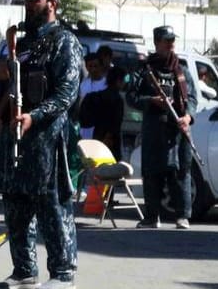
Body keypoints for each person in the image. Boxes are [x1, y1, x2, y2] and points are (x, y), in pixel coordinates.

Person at [0, 0, 83, 289]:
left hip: (47, 136)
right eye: (26, 2)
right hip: (17, 134)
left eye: (35, 1)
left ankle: (63, 271)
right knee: (15, 203)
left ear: (52, 3)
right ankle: (25, 271)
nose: (29, 6)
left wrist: (36, 116)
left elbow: (66, 93)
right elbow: (5, 81)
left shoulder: (64, 41)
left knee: (52, 203)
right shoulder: (22, 43)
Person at [134, 26, 199, 229]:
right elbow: (132, 97)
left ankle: (182, 216)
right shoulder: (145, 71)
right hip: (154, 130)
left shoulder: (182, 71)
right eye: (166, 40)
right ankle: (152, 217)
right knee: (152, 173)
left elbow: (192, 99)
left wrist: (188, 117)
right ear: (157, 42)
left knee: (180, 173)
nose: (170, 44)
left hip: (178, 130)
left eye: (172, 40)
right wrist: (152, 101)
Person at [74, 49, 125, 161]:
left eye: (95, 66)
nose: (93, 69)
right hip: (85, 129)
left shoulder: (106, 86)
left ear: (101, 67)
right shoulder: (83, 85)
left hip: (102, 132)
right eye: (90, 66)